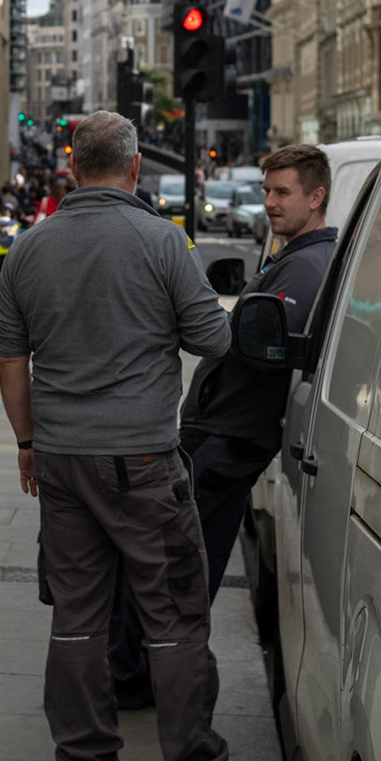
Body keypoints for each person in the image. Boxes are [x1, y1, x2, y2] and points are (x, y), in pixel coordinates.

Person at [0, 109, 281, 761]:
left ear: (71, 169)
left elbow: (11, 358)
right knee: (175, 617)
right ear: (131, 169)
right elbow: (214, 341)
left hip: (59, 459)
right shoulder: (162, 239)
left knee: (76, 617)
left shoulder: (28, 248)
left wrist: (27, 443)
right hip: (143, 459)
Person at [108, 145, 337, 706]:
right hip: (221, 432)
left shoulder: (306, 266)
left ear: (317, 196)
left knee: (179, 564)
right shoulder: (295, 256)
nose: (269, 204)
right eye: (266, 191)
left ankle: (148, 678)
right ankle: (151, 673)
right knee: (185, 557)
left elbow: (260, 343)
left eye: (282, 192)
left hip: (227, 437)